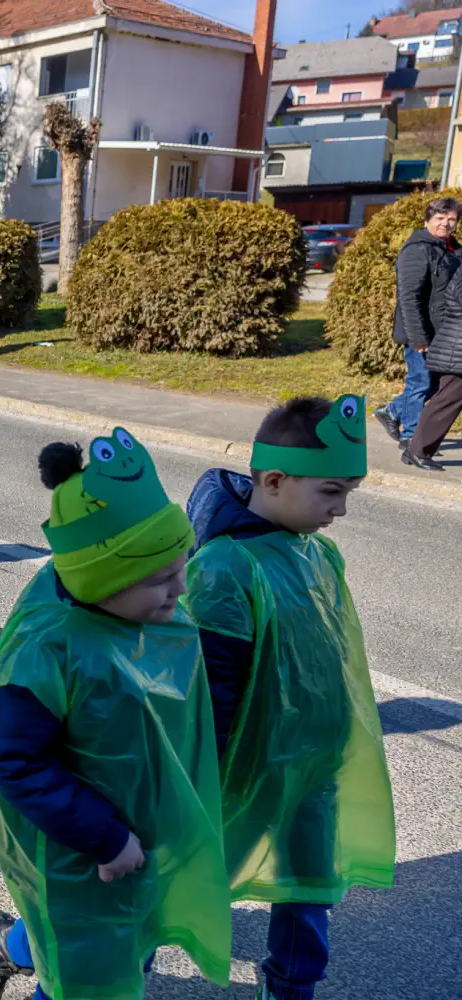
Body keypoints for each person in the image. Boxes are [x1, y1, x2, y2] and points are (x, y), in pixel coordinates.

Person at [0, 432, 231, 1000]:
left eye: (181, 568)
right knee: (85, 975)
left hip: (143, 829)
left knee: (129, 939)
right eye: (160, 580)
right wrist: (105, 837)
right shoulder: (46, 651)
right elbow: (14, 759)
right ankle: (19, 948)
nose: (181, 588)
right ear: (103, 581)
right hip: (83, 846)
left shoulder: (138, 613)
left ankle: (6, 943)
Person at [182, 396, 395, 1000]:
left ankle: (292, 988)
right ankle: (42, 951)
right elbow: (214, 685)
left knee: (309, 885)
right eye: (331, 492)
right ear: (274, 481)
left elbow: (331, 654)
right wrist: (205, 780)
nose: (341, 509)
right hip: (240, 768)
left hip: (310, 763)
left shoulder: (317, 553)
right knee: (171, 884)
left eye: (348, 493)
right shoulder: (225, 567)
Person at [376, 196, 459, 458]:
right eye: (440, 218)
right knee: (421, 382)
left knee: (434, 385)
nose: (446, 224)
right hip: (421, 332)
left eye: (452, 219)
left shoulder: (452, 249)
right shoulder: (417, 250)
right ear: (427, 220)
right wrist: (418, 337)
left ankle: (392, 411)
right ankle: (410, 436)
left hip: (443, 333)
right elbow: (408, 298)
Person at [405, 254, 462, 470]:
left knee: (447, 399)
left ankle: (416, 450)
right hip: (457, 347)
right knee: (447, 400)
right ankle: (418, 451)